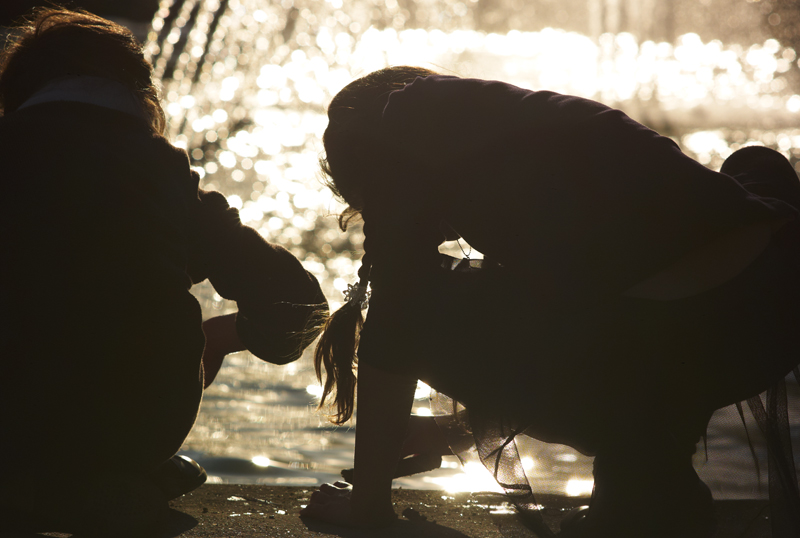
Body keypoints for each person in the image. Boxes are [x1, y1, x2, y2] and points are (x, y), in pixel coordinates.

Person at [300, 66, 800, 537]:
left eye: (368, 207)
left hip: (690, 335)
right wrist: (452, 430)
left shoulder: (397, 126)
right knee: (747, 172)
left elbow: (397, 323)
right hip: (769, 309)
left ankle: (644, 495)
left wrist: (368, 510)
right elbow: (573, 318)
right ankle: (647, 492)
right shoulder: (506, 133)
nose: (441, 234)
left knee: (431, 309)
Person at [0, 9, 327, 536]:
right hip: (134, 430)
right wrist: (220, 337)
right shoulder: (164, 175)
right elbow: (301, 307)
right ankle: (105, 480)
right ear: (141, 95)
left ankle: (36, 485)